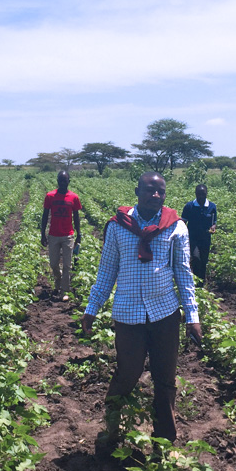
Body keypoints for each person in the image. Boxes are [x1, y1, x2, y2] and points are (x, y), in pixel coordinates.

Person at [81, 172, 202, 455]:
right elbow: (106, 271)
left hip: (165, 314)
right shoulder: (118, 226)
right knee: (127, 373)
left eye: (161, 191)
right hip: (128, 315)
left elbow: (184, 274)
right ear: (137, 191)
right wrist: (91, 309)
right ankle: (111, 431)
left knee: (165, 379)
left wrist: (192, 317)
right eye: (150, 190)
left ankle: (164, 442)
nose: (155, 195)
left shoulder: (176, 227)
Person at [41, 170, 82, 301]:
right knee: (53, 264)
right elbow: (45, 215)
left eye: (65, 181)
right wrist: (42, 233)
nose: (63, 183)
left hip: (68, 235)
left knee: (67, 265)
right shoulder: (50, 196)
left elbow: (76, 217)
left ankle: (64, 291)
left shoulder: (74, 197)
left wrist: (79, 233)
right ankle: (58, 281)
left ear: (68, 182)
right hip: (53, 235)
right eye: (60, 180)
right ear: (57, 181)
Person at [181, 184, 217, 280]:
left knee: (204, 261)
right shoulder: (189, 206)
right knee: (196, 258)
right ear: (195, 194)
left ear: (206, 193)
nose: (201, 196)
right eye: (199, 194)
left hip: (205, 238)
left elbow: (214, 222)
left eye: (203, 194)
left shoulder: (212, 207)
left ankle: (201, 282)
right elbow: (183, 222)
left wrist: (213, 227)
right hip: (192, 238)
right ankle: (196, 280)